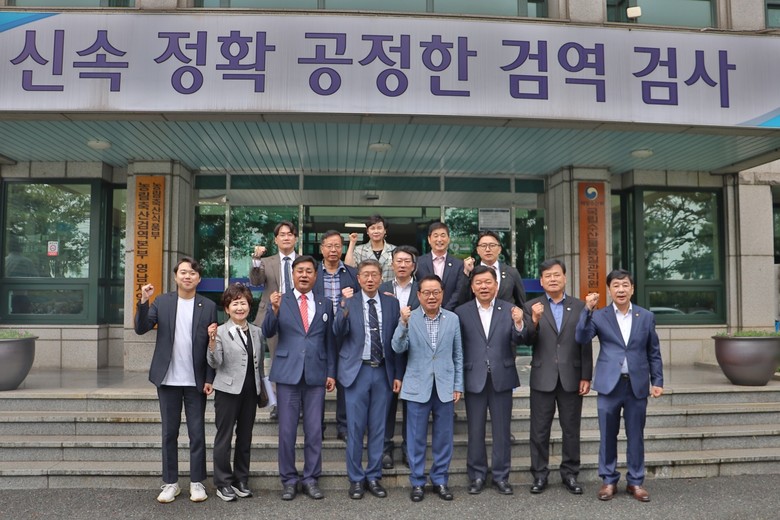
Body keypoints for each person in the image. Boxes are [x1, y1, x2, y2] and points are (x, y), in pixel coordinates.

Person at [575, 269, 664, 502]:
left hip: (636, 385)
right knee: (607, 435)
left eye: (625, 285)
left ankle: (636, 481)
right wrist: (587, 310)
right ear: (609, 290)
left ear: (632, 289)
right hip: (609, 385)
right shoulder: (599, 316)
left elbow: (653, 351)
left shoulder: (646, 316)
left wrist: (657, 381)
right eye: (616, 285)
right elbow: (581, 337)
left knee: (636, 435)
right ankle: (608, 480)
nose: (621, 289)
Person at [134, 257, 217, 504]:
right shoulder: (162, 302)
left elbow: (212, 344)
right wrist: (143, 300)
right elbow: (141, 328)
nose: (187, 276)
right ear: (175, 276)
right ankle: (170, 483)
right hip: (168, 379)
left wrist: (209, 377)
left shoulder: (208, 305)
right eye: (183, 272)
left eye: (192, 273)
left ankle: (197, 482)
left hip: (195, 380)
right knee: (169, 433)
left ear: (199, 279)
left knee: (197, 434)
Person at [262, 255, 336, 501]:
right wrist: (273, 310)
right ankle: (289, 480)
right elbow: (267, 331)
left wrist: (331, 372)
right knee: (287, 432)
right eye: (299, 271)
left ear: (316, 275)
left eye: (308, 271)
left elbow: (329, 341)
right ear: (292, 275)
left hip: (316, 374)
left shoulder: (325, 303)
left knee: (314, 431)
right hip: (287, 374)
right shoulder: (280, 300)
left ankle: (311, 478)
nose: (304, 275)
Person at [455, 266, 528, 496]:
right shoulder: (461, 312)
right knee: (475, 430)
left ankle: (501, 476)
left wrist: (519, 323)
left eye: (488, 282)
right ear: (472, 287)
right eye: (479, 283)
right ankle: (477, 476)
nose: (484, 287)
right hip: (473, 376)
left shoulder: (510, 309)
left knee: (502, 431)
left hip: (502, 377)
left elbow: (522, 339)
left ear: (496, 286)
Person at [333, 259, 402, 500]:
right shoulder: (348, 301)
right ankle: (355, 478)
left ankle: (373, 476)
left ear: (381, 278)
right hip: (357, 371)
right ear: (359, 279)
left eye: (374, 274)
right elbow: (337, 331)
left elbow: (397, 340)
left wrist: (398, 374)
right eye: (365, 275)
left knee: (378, 427)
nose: (370, 279)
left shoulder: (392, 303)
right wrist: (342, 308)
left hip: (383, 371)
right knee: (355, 428)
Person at [392, 274, 463, 503]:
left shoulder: (452, 319)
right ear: (419, 295)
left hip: (444, 386)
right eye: (427, 293)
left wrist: (458, 385)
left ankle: (440, 479)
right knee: (415, 438)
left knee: (443, 437)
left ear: (442, 294)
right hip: (416, 387)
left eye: (436, 292)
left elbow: (458, 355)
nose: (431, 296)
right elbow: (397, 347)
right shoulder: (409, 318)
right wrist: (402, 324)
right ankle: (417, 481)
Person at [524, 259, 592, 495]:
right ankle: (539, 475)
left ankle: (570, 474)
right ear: (541, 281)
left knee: (571, 429)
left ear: (565, 278)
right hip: (542, 376)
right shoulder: (531, 306)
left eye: (556, 275)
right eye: (547, 276)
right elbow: (525, 340)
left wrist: (586, 375)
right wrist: (533, 321)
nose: (552, 279)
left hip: (571, 376)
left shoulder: (580, 306)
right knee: (539, 430)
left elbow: (585, 342)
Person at [207, 283, 264, 502]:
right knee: (224, 437)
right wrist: (212, 341)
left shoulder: (256, 331)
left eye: (243, 303)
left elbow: (259, 364)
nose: (240, 308)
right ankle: (223, 483)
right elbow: (215, 362)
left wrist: (262, 389)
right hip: (227, 391)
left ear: (249, 306)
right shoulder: (220, 332)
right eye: (235, 304)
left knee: (245, 437)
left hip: (250, 391)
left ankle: (241, 480)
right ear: (227, 308)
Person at [313, 230, 360, 442]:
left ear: (342, 249)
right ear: (322, 248)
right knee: (316, 380)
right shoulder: (313, 272)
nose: (333, 250)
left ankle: (344, 425)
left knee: (344, 380)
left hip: (345, 333)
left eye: (337, 246)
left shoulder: (352, 273)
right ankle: (316, 426)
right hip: (317, 333)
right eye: (329, 246)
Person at [249, 220, 298, 420]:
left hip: (298, 315)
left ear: (295, 238)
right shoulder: (267, 261)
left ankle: (297, 401)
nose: (286, 238)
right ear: (276, 240)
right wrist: (256, 259)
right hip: (272, 314)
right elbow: (256, 281)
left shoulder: (303, 261)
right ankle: (276, 402)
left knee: (298, 358)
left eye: (289, 234)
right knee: (276, 359)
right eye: (282, 235)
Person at [378, 245, 419, 470]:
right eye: (398, 261)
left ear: (413, 266)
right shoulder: (382, 288)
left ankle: (408, 449)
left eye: (407, 261)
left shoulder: (422, 289)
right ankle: (385, 449)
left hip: (415, 353)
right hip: (388, 353)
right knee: (387, 404)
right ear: (392, 265)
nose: (402, 265)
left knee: (411, 406)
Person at [461, 230, 526, 308]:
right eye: (483, 245)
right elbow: (464, 299)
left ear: (499, 249)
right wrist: (467, 273)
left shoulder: (512, 272)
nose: (488, 249)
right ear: (477, 250)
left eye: (492, 245)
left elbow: (521, 303)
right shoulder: (471, 272)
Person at [416, 222, 466, 311]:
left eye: (443, 236)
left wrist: (446, 310)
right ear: (429, 239)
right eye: (435, 236)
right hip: (424, 312)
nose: (439, 239)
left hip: (451, 313)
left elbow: (459, 291)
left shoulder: (459, 264)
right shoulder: (418, 262)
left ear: (448, 239)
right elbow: (416, 289)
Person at [345, 214, 395, 282]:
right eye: (372, 228)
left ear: (385, 231)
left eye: (379, 228)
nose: (376, 231)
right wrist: (352, 243)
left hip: (388, 288)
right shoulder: (359, 250)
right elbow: (349, 267)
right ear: (367, 231)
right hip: (367, 287)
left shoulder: (394, 250)